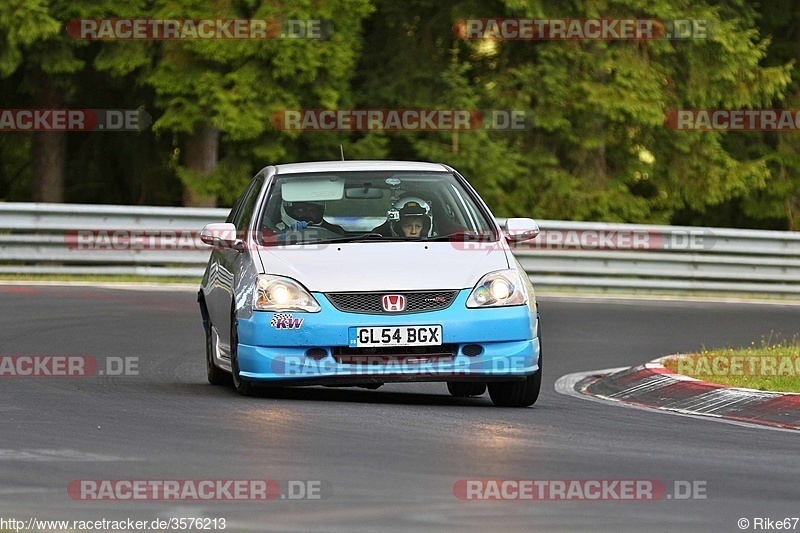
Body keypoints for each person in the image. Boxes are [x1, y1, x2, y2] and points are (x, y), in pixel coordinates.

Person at [278, 200, 345, 235]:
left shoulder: (334, 232)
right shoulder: (277, 231)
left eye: (312, 211)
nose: (307, 215)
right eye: (301, 210)